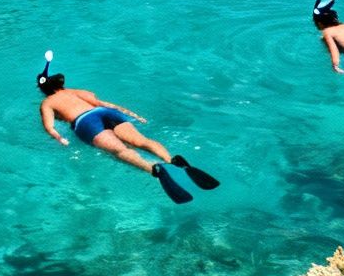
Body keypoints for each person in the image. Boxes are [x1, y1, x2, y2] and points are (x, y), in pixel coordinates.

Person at [36, 51, 217, 203]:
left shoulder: (47, 103)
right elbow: (103, 104)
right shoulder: (76, 91)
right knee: (141, 141)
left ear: (43, 90)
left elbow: (49, 127)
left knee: (120, 151)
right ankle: (172, 160)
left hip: (86, 123)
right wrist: (132, 114)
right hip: (105, 113)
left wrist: (60, 139)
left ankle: (154, 168)